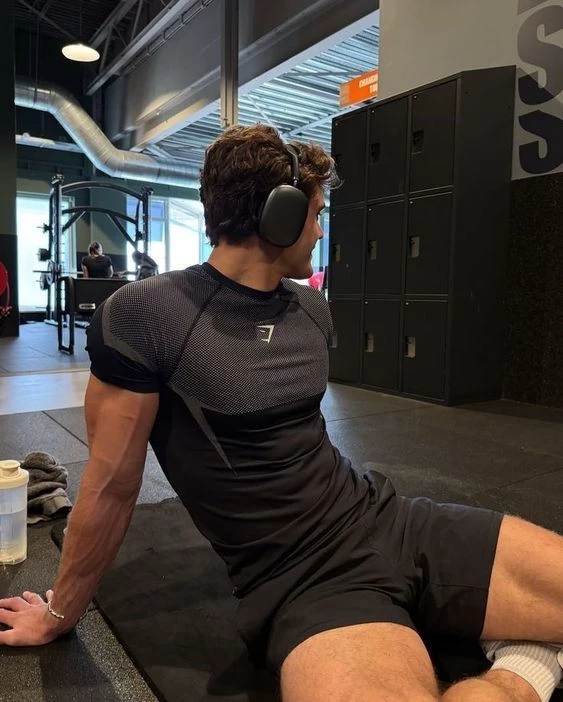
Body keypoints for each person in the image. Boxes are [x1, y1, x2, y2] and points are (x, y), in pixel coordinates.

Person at [0, 125, 561, 702]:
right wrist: (60, 613)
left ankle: (504, 627)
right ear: (280, 213)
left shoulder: (312, 310)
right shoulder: (149, 315)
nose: (319, 231)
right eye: (315, 214)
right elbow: (112, 487)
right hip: (305, 579)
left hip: (392, 521)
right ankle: (528, 661)